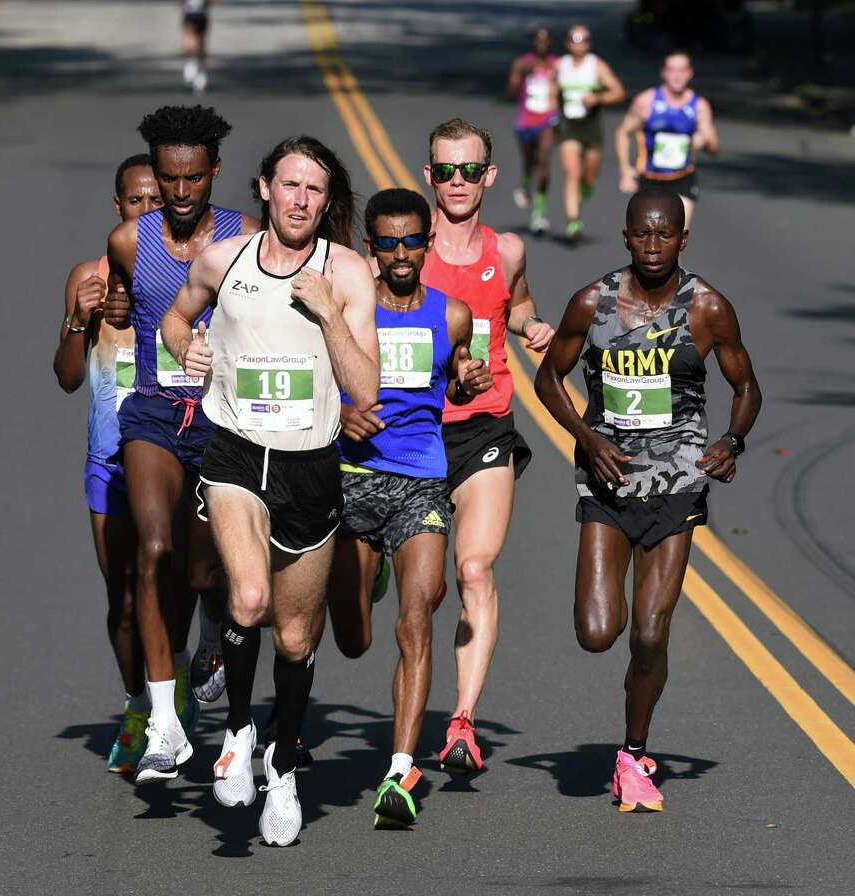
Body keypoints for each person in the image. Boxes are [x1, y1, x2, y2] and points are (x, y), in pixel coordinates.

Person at [162, 136, 379, 846]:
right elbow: (175, 317)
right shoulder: (223, 260)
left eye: (315, 191)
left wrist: (327, 312)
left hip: (309, 467)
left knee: (293, 637)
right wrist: (183, 346)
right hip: (234, 454)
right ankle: (235, 730)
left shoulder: (345, 272)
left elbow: (366, 388)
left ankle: (282, 766)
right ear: (264, 187)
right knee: (247, 598)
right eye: (290, 185)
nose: (300, 201)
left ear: (326, 201)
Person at [534, 188, 760, 812]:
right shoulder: (592, 301)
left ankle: (633, 753)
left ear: (683, 239)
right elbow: (548, 376)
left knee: (652, 634)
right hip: (608, 482)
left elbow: (745, 385)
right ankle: (631, 739)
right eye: (643, 235)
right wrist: (586, 438)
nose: (654, 246)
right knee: (599, 631)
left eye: (666, 235)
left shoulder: (708, 308)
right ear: (626, 236)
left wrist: (732, 442)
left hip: (676, 485)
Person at [325, 188, 493, 829]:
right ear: (371, 247)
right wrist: (341, 410)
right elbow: (315, 376)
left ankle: (399, 770)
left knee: (417, 616)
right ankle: (366, 583)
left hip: (419, 481)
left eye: (411, 241)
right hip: (350, 476)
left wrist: (465, 383)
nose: (400, 253)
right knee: (353, 638)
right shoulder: (345, 309)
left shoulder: (452, 314)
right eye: (387, 242)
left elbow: (458, 377)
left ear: (426, 245)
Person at [103, 105, 258, 783]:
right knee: (154, 547)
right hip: (154, 416)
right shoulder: (128, 242)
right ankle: (164, 724)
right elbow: (116, 307)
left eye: (194, 177)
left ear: (214, 172)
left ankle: (211, 655)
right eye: (169, 179)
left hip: (224, 421)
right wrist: (100, 309)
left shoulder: (244, 237)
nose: (182, 191)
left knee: (204, 575)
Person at [421, 118, 555, 775]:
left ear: (490, 176)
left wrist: (533, 326)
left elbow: (519, 304)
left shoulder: (506, 250)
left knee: (474, 569)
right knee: (423, 590)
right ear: (429, 176)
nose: (457, 183)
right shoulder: (406, 250)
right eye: (445, 170)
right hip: (413, 431)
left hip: (485, 428)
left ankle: (462, 722)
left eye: (469, 170)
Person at [54, 154, 162, 774]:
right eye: (135, 200)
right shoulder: (88, 277)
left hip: (182, 453)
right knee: (122, 596)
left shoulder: (193, 273)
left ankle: (188, 675)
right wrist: (81, 316)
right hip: (110, 461)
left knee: (189, 581)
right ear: (117, 206)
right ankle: (139, 704)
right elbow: (68, 378)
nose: (147, 210)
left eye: (157, 200)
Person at [615, 50, 719, 230]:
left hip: (683, 178)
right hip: (650, 179)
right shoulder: (646, 101)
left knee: (677, 239)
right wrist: (625, 169)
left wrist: (705, 142)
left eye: (682, 70)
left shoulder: (699, 106)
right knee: (650, 240)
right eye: (672, 70)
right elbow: (623, 132)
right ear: (663, 73)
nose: (677, 76)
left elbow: (714, 148)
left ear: (690, 73)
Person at [555, 24, 625, 242]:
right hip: (568, 125)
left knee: (589, 175)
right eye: (574, 40)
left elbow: (619, 92)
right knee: (572, 172)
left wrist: (598, 98)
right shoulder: (559, 66)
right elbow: (546, 88)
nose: (579, 45)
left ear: (589, 43)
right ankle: (573, 221)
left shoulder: (597, 66)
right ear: (567, 43)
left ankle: (585, 188)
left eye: (584, 40)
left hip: (591, 125)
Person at [505, 25, 560, 235]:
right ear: (533, 43)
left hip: (548, 119)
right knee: (530, 161)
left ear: (550, 43)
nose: (542, 45)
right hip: (526, 121)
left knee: (545, 161)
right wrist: (520, 77)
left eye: (546, 41)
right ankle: (526, 183)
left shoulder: (557, 65)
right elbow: (510, 93)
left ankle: (539, 214)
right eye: (538, 41)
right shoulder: (522, 63)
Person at [181, 0, 215, 95]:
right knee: (190, 41)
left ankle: (201, 73)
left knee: (201, 45)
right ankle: (190, 63)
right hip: (190, 13)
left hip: (202, 15)